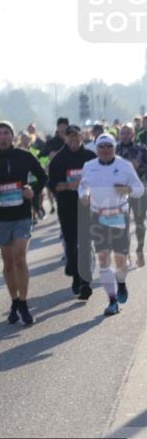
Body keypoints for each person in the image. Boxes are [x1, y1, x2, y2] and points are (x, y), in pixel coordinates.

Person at [0, 121, 47, 326]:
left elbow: (42, 176)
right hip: (0, 219)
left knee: (19, 259)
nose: (3, 136)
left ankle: (23, 303)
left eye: (7, 132)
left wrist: (32, 190)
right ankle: (14, 301)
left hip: (22, 216)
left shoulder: (25, 156)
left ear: (12, 136)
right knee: (7, 263)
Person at [78, 134, 145, 316]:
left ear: (114, 148)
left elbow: (140, 189)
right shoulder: (89, 166)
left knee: (121, 260)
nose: (105, 150)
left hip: (119, 216)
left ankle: (121, 283)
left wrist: (128, 190)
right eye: (102, 146)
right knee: (103, 259)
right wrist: (83, 195)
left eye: (109, 146)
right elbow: (83, 186)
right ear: (97, 149)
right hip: (98, 217)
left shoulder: (124, 166)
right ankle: (112, 300)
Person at [47, 125, 96, 298]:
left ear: (82, 136)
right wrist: (68, 185)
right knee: (71, 244)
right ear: (65, 138)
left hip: (87, 206)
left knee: (84, 243)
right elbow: (52, 184)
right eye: (70, 136)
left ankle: (85, 282)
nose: (73, 139)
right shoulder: (59, 160)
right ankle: (76, 275)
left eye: (76, 136)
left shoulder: (90, 157)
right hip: (67, 207)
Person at [116, 124, 147, 267]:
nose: (125, 135)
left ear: (133, 134)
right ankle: (125, 253)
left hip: (137, 190)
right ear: (119, 135)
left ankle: (140, 250)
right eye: (122, 133)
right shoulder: (114, 150)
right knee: (123, 224)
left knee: (139, 222)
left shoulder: (141, 149)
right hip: (120, 193)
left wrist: (139, 166)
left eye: (128, 133)